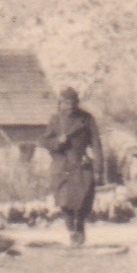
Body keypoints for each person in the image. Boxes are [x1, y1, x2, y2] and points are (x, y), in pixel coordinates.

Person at [41, 87, 104, 247]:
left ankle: (80, 225)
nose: (69, 106)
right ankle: (71, 232)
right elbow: (45, 142)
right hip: (61, 165)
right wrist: (57, 142)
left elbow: (96, 144)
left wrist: (98, 168)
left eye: (73, 103)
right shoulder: (55, 120)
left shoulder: (87, 119)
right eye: (66, 103)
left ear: (77, 103)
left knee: (83, 200)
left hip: (81, 164)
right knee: (64, 201)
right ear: (60, 103)